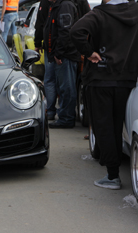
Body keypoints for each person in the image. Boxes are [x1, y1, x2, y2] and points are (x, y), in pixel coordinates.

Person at [71, 0, 138, 190]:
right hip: (127, 80)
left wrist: (89, 52)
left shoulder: (99, 14)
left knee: (104, 127)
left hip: (100, 79)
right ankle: (115, 168)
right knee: (118, 125)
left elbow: (76, 32)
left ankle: (113, 175)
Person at [40, 0, 81, 128]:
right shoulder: (56, 6)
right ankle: (64, 116)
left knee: (67, 88)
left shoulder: (65, 6)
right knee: (63, 88)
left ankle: (67, 119)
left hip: (65, 56)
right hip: (61, 55)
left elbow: (65, 32)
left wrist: (58, 53)